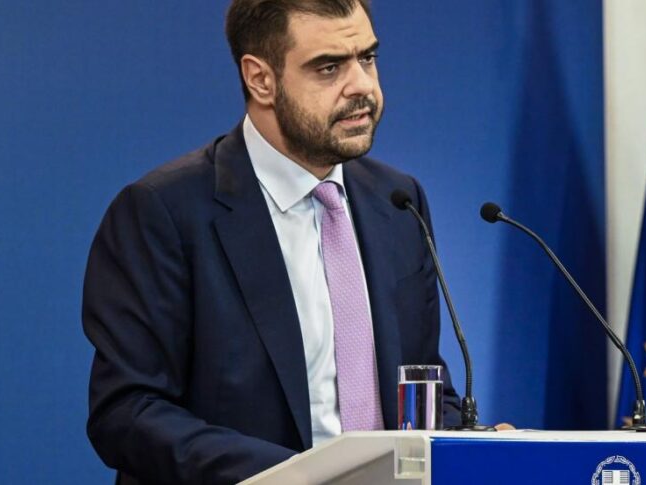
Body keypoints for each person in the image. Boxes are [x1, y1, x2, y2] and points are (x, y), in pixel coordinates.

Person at [82, 0, 461, 483]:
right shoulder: (164, 213)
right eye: (328, 67)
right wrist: (304, 477)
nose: (362, 86)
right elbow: (128, 412)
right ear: (261, 79)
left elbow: (424, 388)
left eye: (367, 58)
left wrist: (475, 442)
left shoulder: (398, 202)